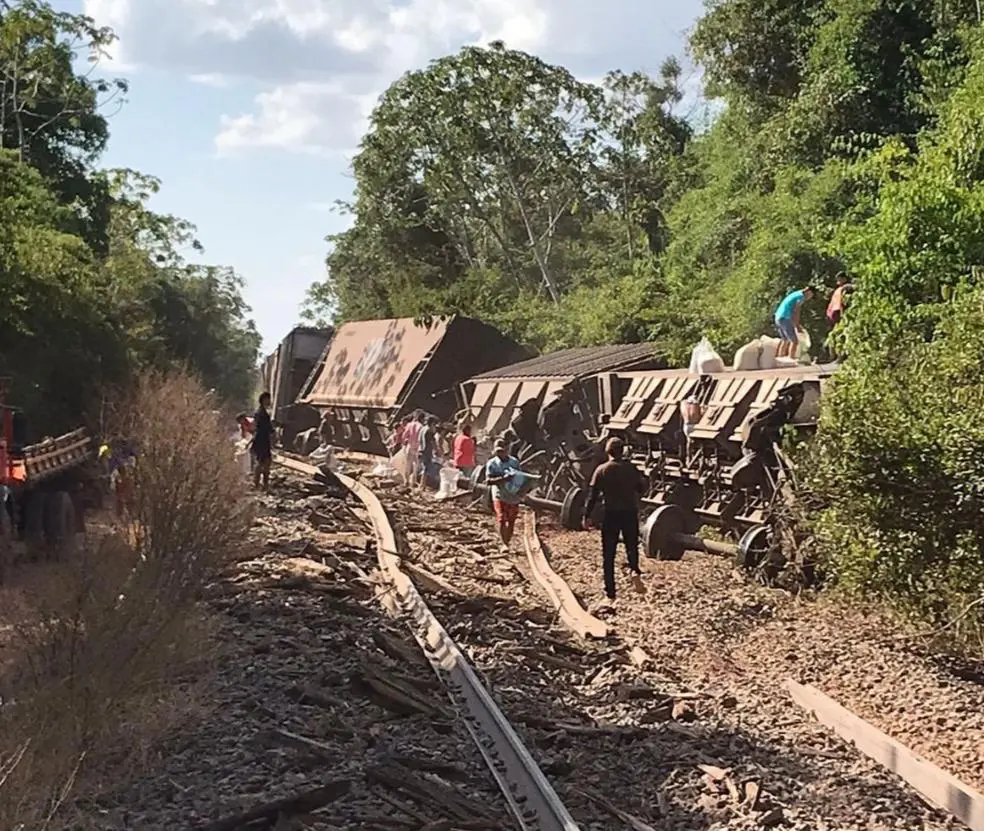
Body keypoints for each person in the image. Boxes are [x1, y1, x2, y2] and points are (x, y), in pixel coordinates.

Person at [583, 437, 645, 605]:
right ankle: (634, 570)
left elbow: (592, 496)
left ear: (607, 451)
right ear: (622, 451)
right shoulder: (631, 468)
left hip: (611, 514)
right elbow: (641, 488)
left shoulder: (601, 470)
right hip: (629, 512)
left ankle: (610, 594)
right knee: (632, 546)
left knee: (608, 555)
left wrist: (586, 516)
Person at [485, 438, 523, 551]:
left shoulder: (514, 462)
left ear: (507, 449)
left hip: (513, 495)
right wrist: (503, 479)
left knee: (511, 521)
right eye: (497, 451)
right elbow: (488, 481)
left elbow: (520, 477)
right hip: (499, 494)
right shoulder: (492, 463)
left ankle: (507, 541)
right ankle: (504, 544)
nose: (500, 453)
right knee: (501, 519)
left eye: (502, 451)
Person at [774, 286, 815, 359]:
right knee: (794, 341)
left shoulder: (796, 294)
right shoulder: (801, 297)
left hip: (778, 317)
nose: (809, 298)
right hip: (785, 318)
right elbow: (796, 311)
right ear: (808, 292)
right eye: (811, 295)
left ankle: (780, 359)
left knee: (785, 340)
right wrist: (797, 325)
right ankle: (791, 359)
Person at [252, 392, 274, 491]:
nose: (269, 401)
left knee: (264, 462)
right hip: (262, 440)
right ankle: (259, 483)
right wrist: (272, 431)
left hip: (261, 439)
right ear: (263, 400)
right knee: (263, 462)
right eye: (268, 399)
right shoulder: (261, 413)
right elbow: (265, 427)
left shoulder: (261, 411)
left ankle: (261, 483)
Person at [402, 411, 423, 487]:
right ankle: (413, 482)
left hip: (409, 446)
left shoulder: (409, 425)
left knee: (407, 464)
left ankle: (406, 481)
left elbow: (404, 436)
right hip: (417, 447)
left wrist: (405, 441)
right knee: (415, 466)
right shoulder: (421, 426)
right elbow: (421, 439)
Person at [419, 416, 439, 489]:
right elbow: (433, 442)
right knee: (426, 469)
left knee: (425, 468)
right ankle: (422, 486)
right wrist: (437, 451)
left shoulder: (423, 429)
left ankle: (422, 485)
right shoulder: (429, 431)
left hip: (421, 450)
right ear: (432, 423)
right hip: (426, 451)